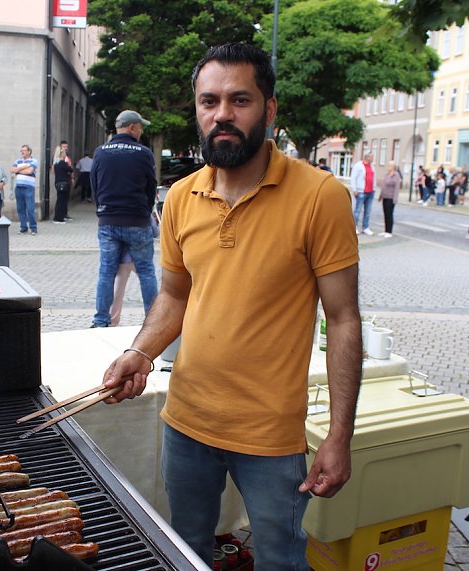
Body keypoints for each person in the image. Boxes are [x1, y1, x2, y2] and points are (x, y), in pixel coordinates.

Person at [98, 43, 362, 570]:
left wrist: (338, 436)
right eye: (209, 101)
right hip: (186, 422)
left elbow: (343, 318)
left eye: (239, 100)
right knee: (185, 551)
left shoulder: (320, 196)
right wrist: (140, 353)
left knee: (281, 560)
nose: (222, 114)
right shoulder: (179, 197)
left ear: (269, 109)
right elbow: (174, 295)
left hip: (269, 435)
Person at [89, 109, 158, 328]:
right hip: (137, 221)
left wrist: (103, 209)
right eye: (140, 127)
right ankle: (153, 319)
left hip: (108, 220)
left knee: (106, 271)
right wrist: (145, 210)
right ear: (131, 128)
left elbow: (94, 186)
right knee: (146, 271)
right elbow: (151, 187)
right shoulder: (143, 152)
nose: (141, 131)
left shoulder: (100, 152)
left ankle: (101, 320)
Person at [10, 145, 38, 235]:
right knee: (20, 208)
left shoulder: (33, 160)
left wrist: (18, 170)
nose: (22, 152)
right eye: (21, 150)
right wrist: (22, 168)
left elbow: (29, 171)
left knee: (30, 208)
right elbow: (12, 170)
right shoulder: (18, 161)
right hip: (19, 187)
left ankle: (33, 227)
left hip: (29, 187)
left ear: (29, 151)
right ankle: (23, 227)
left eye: (24, 150)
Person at [350, 152, 375, 235]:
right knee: (357, 210)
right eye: (371, 157)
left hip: (370, 192)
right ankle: (354, 227)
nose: (372, 159)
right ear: (367, 157)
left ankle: (365, 227)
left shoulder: (372, 166)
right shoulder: (358, 165)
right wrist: (354, 189)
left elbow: (373, 177)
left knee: (368, 211)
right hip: (361, 191)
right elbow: (353, 177)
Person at [378, 161, 401, 237]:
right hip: (385, 196)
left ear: (393, 167)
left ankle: (389, 231)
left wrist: (395, 199)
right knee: (385, 214)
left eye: (389, 165)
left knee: (389, 214)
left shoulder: (396, 175)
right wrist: (380, 196)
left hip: (391, 198)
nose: (388, 166)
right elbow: (383, 186)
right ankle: (385, 230)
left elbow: (397, 188)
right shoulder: (387, 174)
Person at [53, 147, 75, 224]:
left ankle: (60, 217)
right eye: (64, 153)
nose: (65, 154)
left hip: (59, 183)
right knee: (61, 201)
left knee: (61, 200)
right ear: (61, 154)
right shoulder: (62, 163)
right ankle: (58, 218)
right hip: (63, 183)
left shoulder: (56, 163)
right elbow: (70, 169)